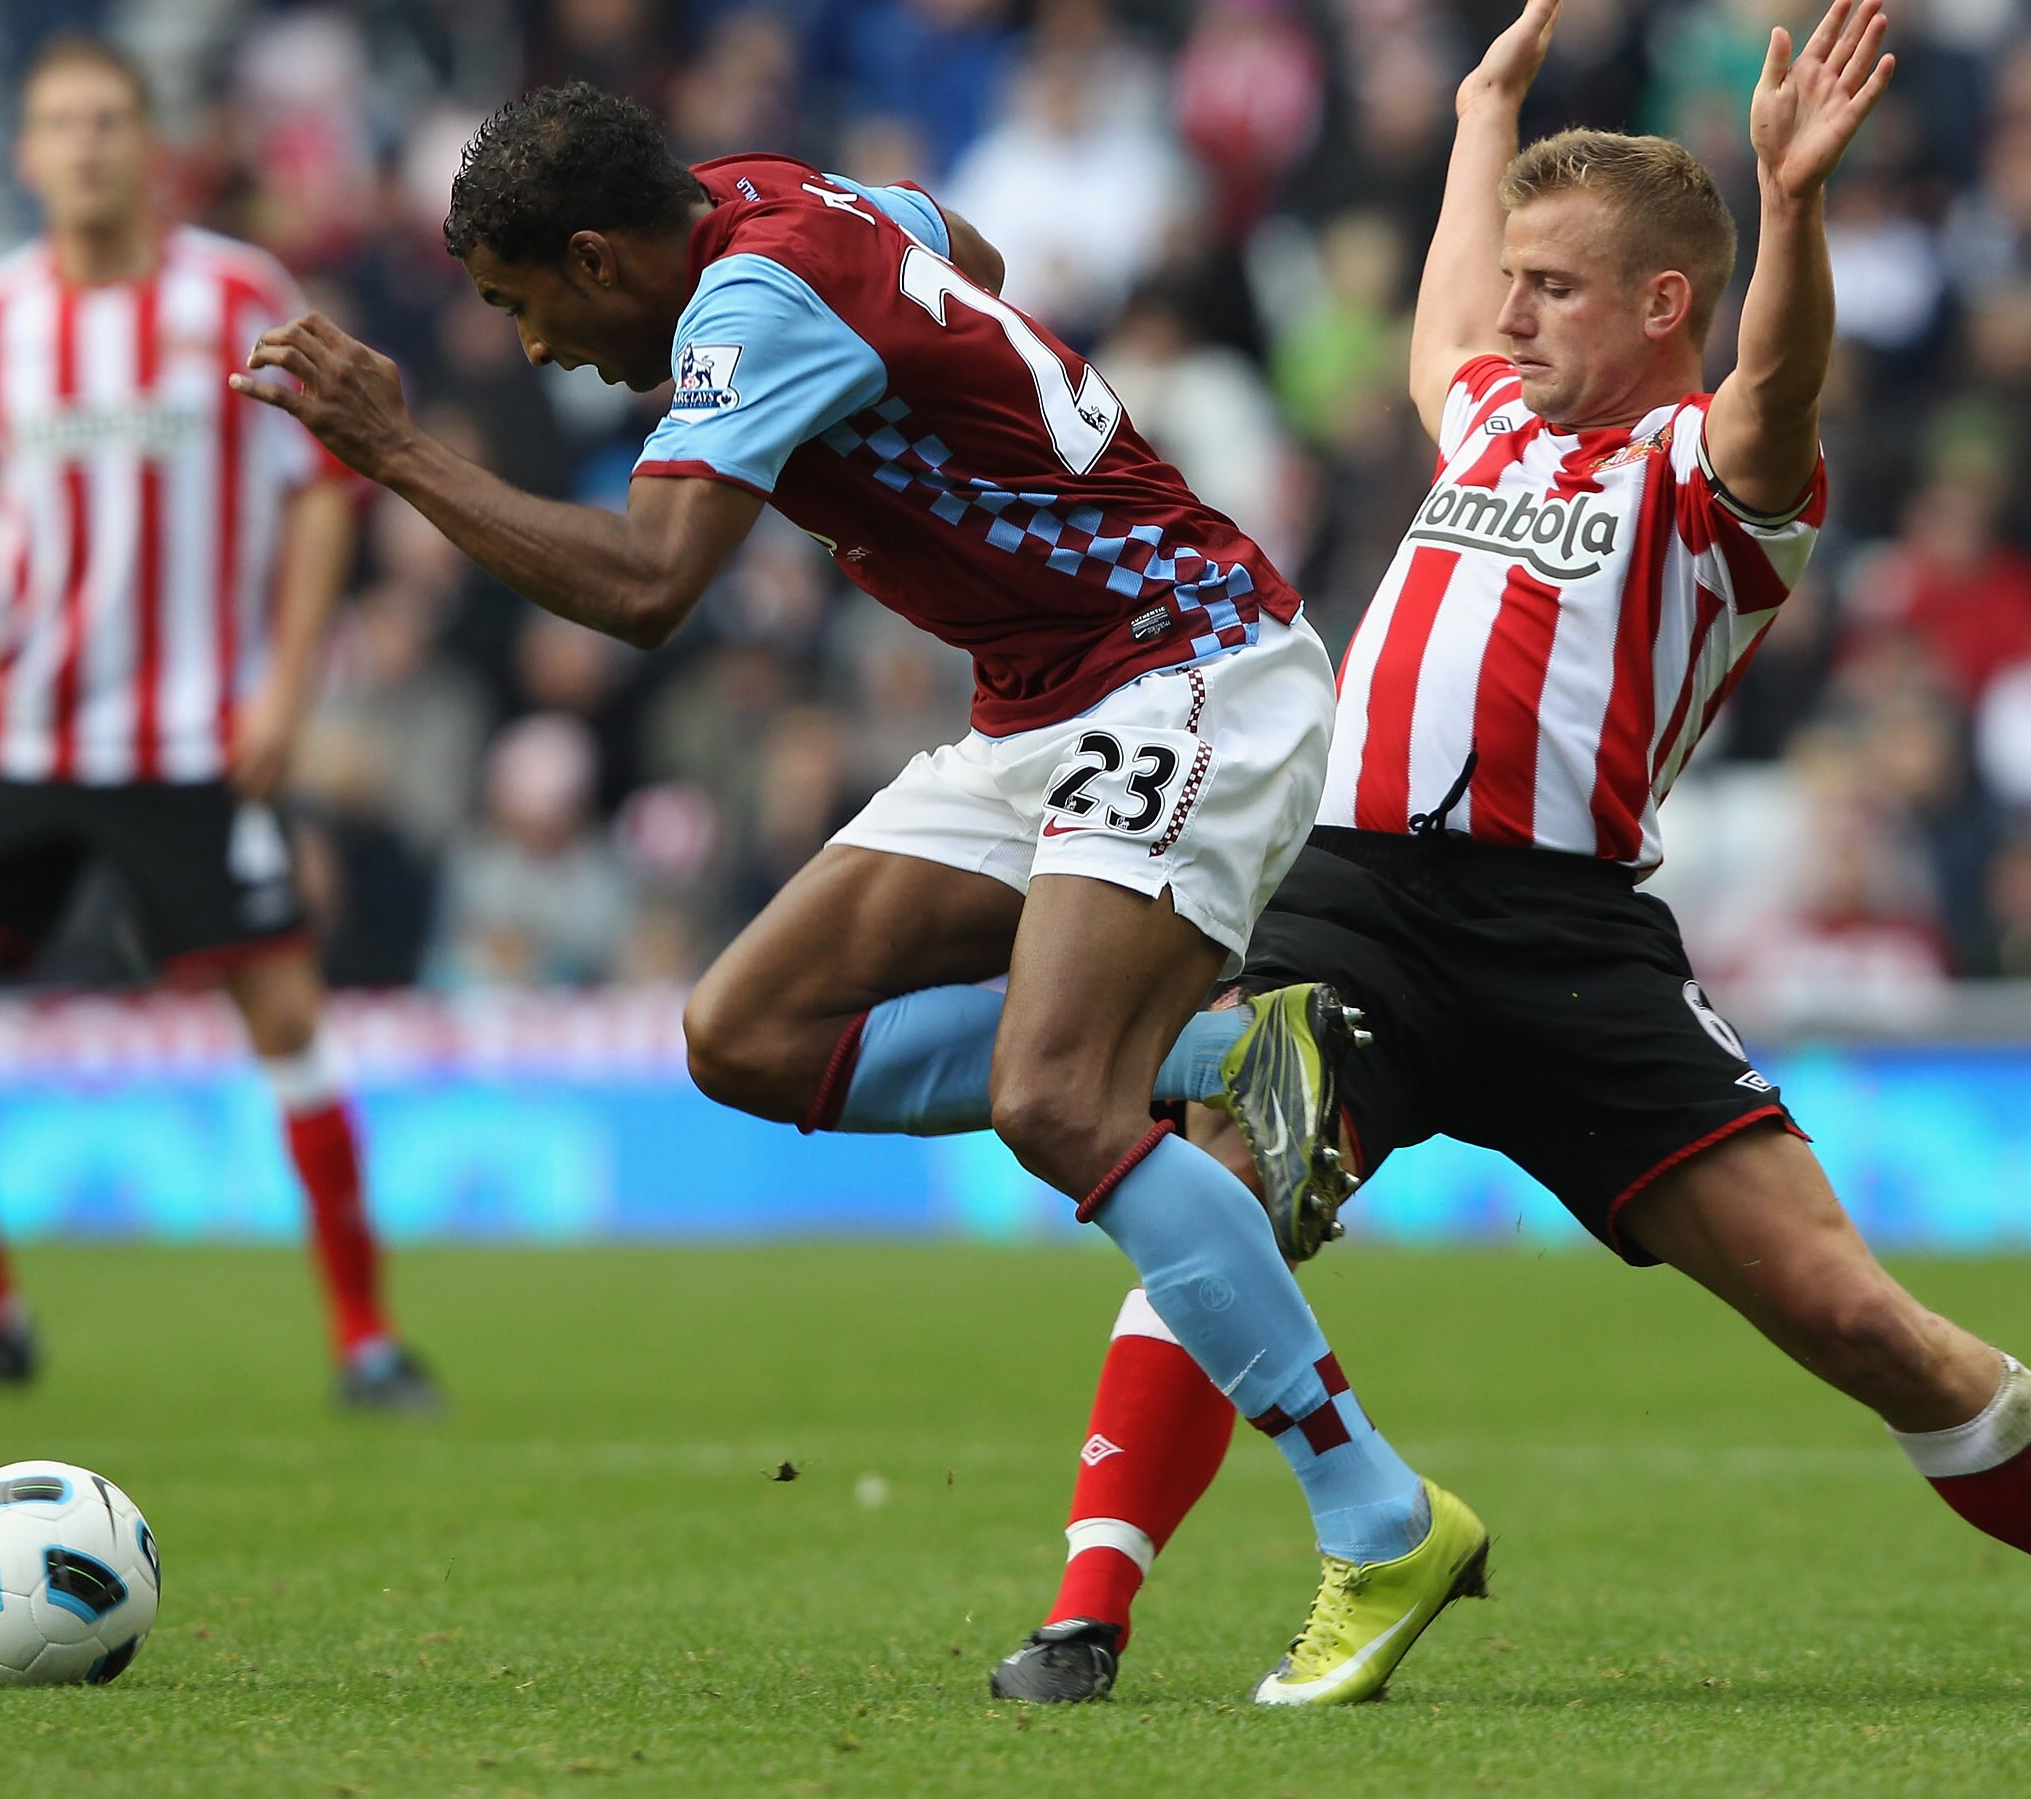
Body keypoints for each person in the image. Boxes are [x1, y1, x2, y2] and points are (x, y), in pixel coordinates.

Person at [990, 0, 2031, 1707]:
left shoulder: (1715, 479)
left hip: (1571, 943)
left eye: (1554, 290)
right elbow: (1443, 309)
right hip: (1355, 902)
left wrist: (1792, 204)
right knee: (1227, 1180)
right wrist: (1479, 120)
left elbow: (1778, 383)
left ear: (1666, 305)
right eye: (1514, 283)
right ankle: (1085, 1621)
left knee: (1853, 1316)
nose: (1511, 319)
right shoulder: (1492, 408)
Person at [230, 82, 1486, 1704]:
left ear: (603, 259)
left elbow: (644, 586)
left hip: (1187, 669)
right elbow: (958, 242)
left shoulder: (753, 299)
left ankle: (1373, 1509)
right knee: (744, 1029)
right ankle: (1207, 1059)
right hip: (1047, 694)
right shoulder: (770, 197)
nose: (531, 345)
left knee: (1051, 1100)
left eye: (521, 301)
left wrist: (395, 450)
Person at [0, 35, 437, 1414]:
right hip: (13, 722)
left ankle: (364, 1337)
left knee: (286, 1011)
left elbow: (315, 491)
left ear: (153, 142)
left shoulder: (239, 295)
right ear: (26, 152)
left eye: (110, 119)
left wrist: (288, 685)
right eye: (60, 122)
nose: (86, 145)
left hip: (189, 731)